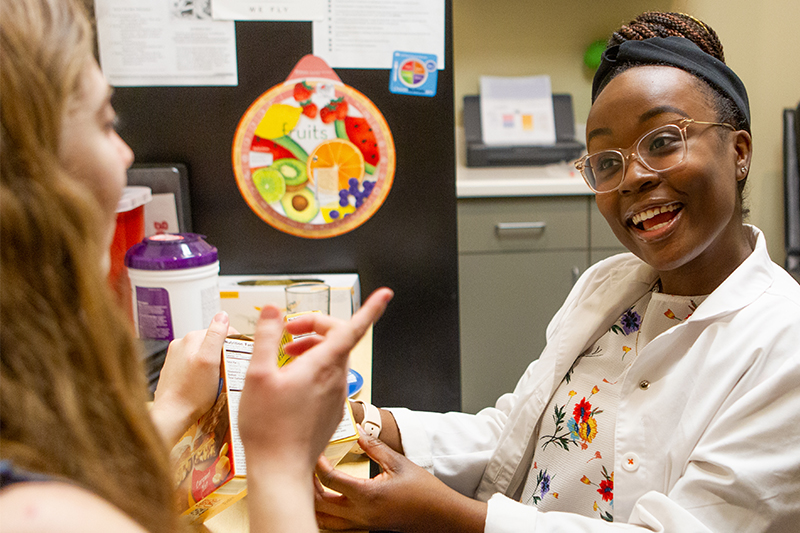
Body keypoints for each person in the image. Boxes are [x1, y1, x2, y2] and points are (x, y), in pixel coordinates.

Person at [314, 12, 800, 533]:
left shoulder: (783, 342)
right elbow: (517, 432)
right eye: (606, 163)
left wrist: (450, 517)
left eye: (662, 141)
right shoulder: (609, 287)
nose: (632, 178)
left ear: (739, 151)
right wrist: (365, 421)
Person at [0, 0, 393, 531]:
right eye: (104, 121)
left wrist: (172, 409)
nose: (124, 154)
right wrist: (278, 456)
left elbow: (75, 479)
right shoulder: (40, 517)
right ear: (31, 177)